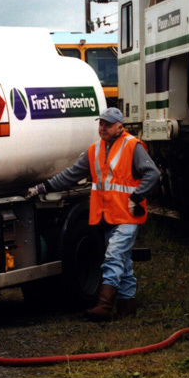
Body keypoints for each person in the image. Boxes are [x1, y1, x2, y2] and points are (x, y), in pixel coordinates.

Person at [28, 106, 159, 322]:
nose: (103, 128)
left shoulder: (132, 146)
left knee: (113, 257)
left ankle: (104, 305)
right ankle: (128, 310)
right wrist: (44, 187)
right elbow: (71, 175)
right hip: (107, 218)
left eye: (108, 124)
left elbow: (152, 174)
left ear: (119, 127)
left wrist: (136, 197)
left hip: (127, 216)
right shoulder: (95, 150)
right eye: (101, 123)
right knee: (123, 264)